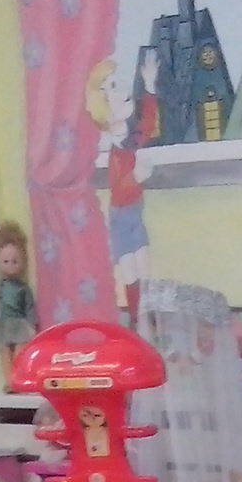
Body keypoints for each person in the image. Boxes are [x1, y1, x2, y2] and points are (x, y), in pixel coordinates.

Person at [86, 53, 159, 322]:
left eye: (119, 82)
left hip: (134, 214)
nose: (124, 89)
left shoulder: (131, 138)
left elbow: (148, 124)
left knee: (145, 267)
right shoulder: (116, 153)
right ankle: (138, 319)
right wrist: (136, 177)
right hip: (121, 218)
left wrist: (149, 85)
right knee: (129, 271)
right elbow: (119, 187)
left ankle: (149, 317)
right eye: (114, 87)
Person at [0, 223, 38, 385]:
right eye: (5, 261)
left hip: (20, 324)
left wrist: (32, 324)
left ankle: (18, 379)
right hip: (3, 324)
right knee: (4, 352)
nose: (10, 265)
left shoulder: (23, 288)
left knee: (19, 351)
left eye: (15, 261)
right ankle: (9, 381)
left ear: (22, 261)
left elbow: (29, 307)